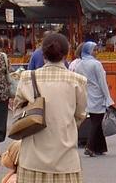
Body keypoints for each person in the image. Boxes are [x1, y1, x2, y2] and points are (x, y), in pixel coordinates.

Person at [15, 33, 87, 183]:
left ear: (43, 54)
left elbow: (17, 113)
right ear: (67, 54)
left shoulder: (27, 77)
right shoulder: (78, 81)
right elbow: (80, 115)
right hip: (65, 158)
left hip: (32, 158)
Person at [73, 42, 114, 157]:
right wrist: (108, 98)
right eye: (94, 50)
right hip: (97, 95)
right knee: (96, 122)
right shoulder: (96, 64)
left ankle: (100, 147)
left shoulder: (79, 65)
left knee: (96, 121)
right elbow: (102, 82)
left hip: (86, 95)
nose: (96, 52)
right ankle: (90, 146)